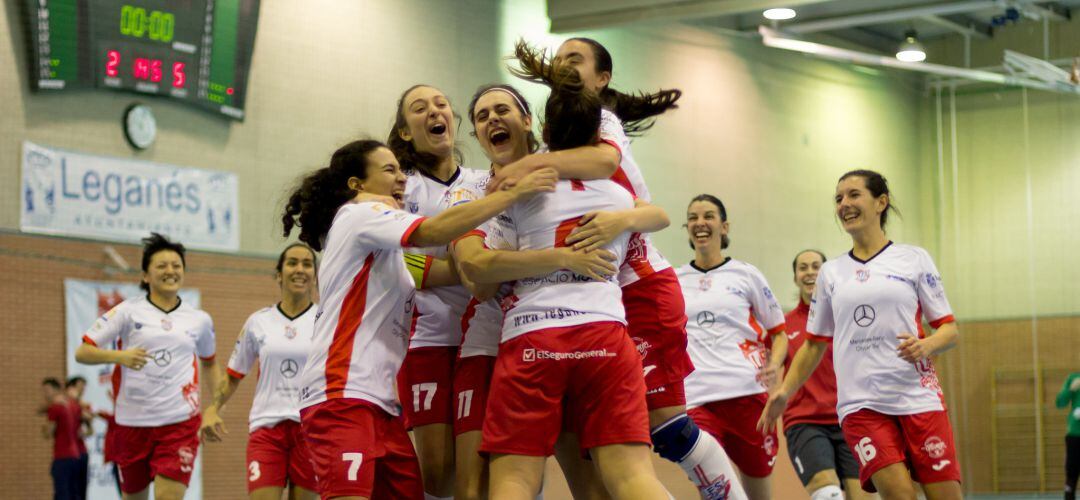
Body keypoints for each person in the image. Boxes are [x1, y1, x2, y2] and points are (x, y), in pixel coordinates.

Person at [493, 38, 745, 500]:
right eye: (560, 58)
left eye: (576, 58)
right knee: (588, 449)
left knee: (664, 429)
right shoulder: (555, 141)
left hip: (638, 284)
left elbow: (614, 169)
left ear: (603, 79)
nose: (563, 64)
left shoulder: (600, 123)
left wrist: (621, 216)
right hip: (594, 303)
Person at [281, 139, 555, 500]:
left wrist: (519, 242)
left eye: (401, 170)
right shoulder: (358, 214)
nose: (402, 180)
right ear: (356, 185)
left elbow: (458, 270)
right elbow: (434, 230)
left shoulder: (389, 255)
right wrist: (510, 195)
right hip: (341, 394)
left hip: (381, 405)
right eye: (389, 170)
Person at [455, 53, 669, 500]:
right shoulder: (613, 190)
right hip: (604, 335)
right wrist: (613, 226)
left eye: (502, 110)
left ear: (538, 128)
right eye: (482, 115)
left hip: (533, 338)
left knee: (517, 480)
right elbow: (660, 215)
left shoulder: (513, 197)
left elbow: (481, 273)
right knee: (632, 478)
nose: (493, 120)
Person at [759, 170, 962, 499]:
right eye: (839, 198)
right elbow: (813, 344)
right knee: (899, 495)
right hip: (861, 405)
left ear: (881, 202)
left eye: (854, 195)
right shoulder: (831, 273)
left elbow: (949, 329)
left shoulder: (914, 259)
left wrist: (926, 345)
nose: (844, 204)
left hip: (917, 397)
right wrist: (785, 391)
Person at [388, 84, 493, 499]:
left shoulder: (484, 182)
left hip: (485, 340)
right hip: (427, 339)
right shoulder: (403, 189)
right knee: (437, 473)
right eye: (419, 108)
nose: (434, 111)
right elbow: (398, 265)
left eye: (441, 104)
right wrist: (469, 271)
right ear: (405, 133)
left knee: (484, 469)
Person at [75, 233, 219, 500]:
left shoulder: (199, 320)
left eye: (176, 266)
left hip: (179, 424)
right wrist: (121, 357)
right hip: (132, 424)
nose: (170, 271)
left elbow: (210, 364)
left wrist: (214, 408)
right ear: (145, 276)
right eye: (162, 266)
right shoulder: (127, 312)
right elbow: (83, 352)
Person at [678, 194, 788, 500]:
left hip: (747, 397)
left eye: (709, 216)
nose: (700, 223)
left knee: (758, 493)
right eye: (693, 217)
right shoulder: (674, 279)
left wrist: (775, 364)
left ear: (724, 227)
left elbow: (779, 333)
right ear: (687, 227)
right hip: (698, 398)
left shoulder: (746, 274)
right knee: (715, 489)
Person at [200, 243, 320, 499]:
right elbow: (234, 375)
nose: (300, 269)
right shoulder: (259, 322)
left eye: (307, 264)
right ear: (279, 274)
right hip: (267, 430)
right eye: (292, 263)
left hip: (311, 430)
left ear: (315, 275)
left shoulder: (326, 319)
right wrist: (212, 408)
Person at [783, 250, 872, 500]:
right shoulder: (783, 326)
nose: (810, 272)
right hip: (806, 422)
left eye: (815, 266)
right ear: (795, 277)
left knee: (865, 495)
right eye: (803, 268)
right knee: (828, 493)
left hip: (850, 418)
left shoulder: (849, 319)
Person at [43, 377, 81, 500]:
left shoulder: (55, 407)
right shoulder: (72, 405)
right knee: (74, 494)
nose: (45, 394)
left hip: (62, 456)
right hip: (75, 455)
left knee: (62, 495)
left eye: (47, 390)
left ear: (55, 390)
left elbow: (48, 433)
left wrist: (45, 425)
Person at [65, 376, 92, 500]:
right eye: (79, 386)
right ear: (70, 388)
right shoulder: (63, 405)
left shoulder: (83, 406)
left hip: (81, 451)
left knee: (81, 491)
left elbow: (90, 428)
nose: (82, 389)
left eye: (84, 387)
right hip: (67, 454)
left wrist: (84, 433)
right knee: (67, 490)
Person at [1057, 371, 1080, 500]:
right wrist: (1071, 389)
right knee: (1072, 473)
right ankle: (1069, 494)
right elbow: (1060, 403)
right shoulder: (1073, 378)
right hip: (1075, 435)